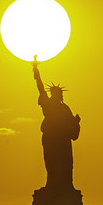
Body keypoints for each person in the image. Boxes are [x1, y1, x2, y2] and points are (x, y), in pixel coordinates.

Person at [33, 58, 80, 190]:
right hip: (50, 139)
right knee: (51, 162)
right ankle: (52, 184)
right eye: (53, 93)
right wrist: (36, 72)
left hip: (63, 141)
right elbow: (40, 87)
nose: (54, 95)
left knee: (66, 163)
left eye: (57, 93)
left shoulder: (65, 108)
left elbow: (72, 129)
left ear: (60, 95)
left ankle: (66, 186)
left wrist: (76, 122)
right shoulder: (47, 103)